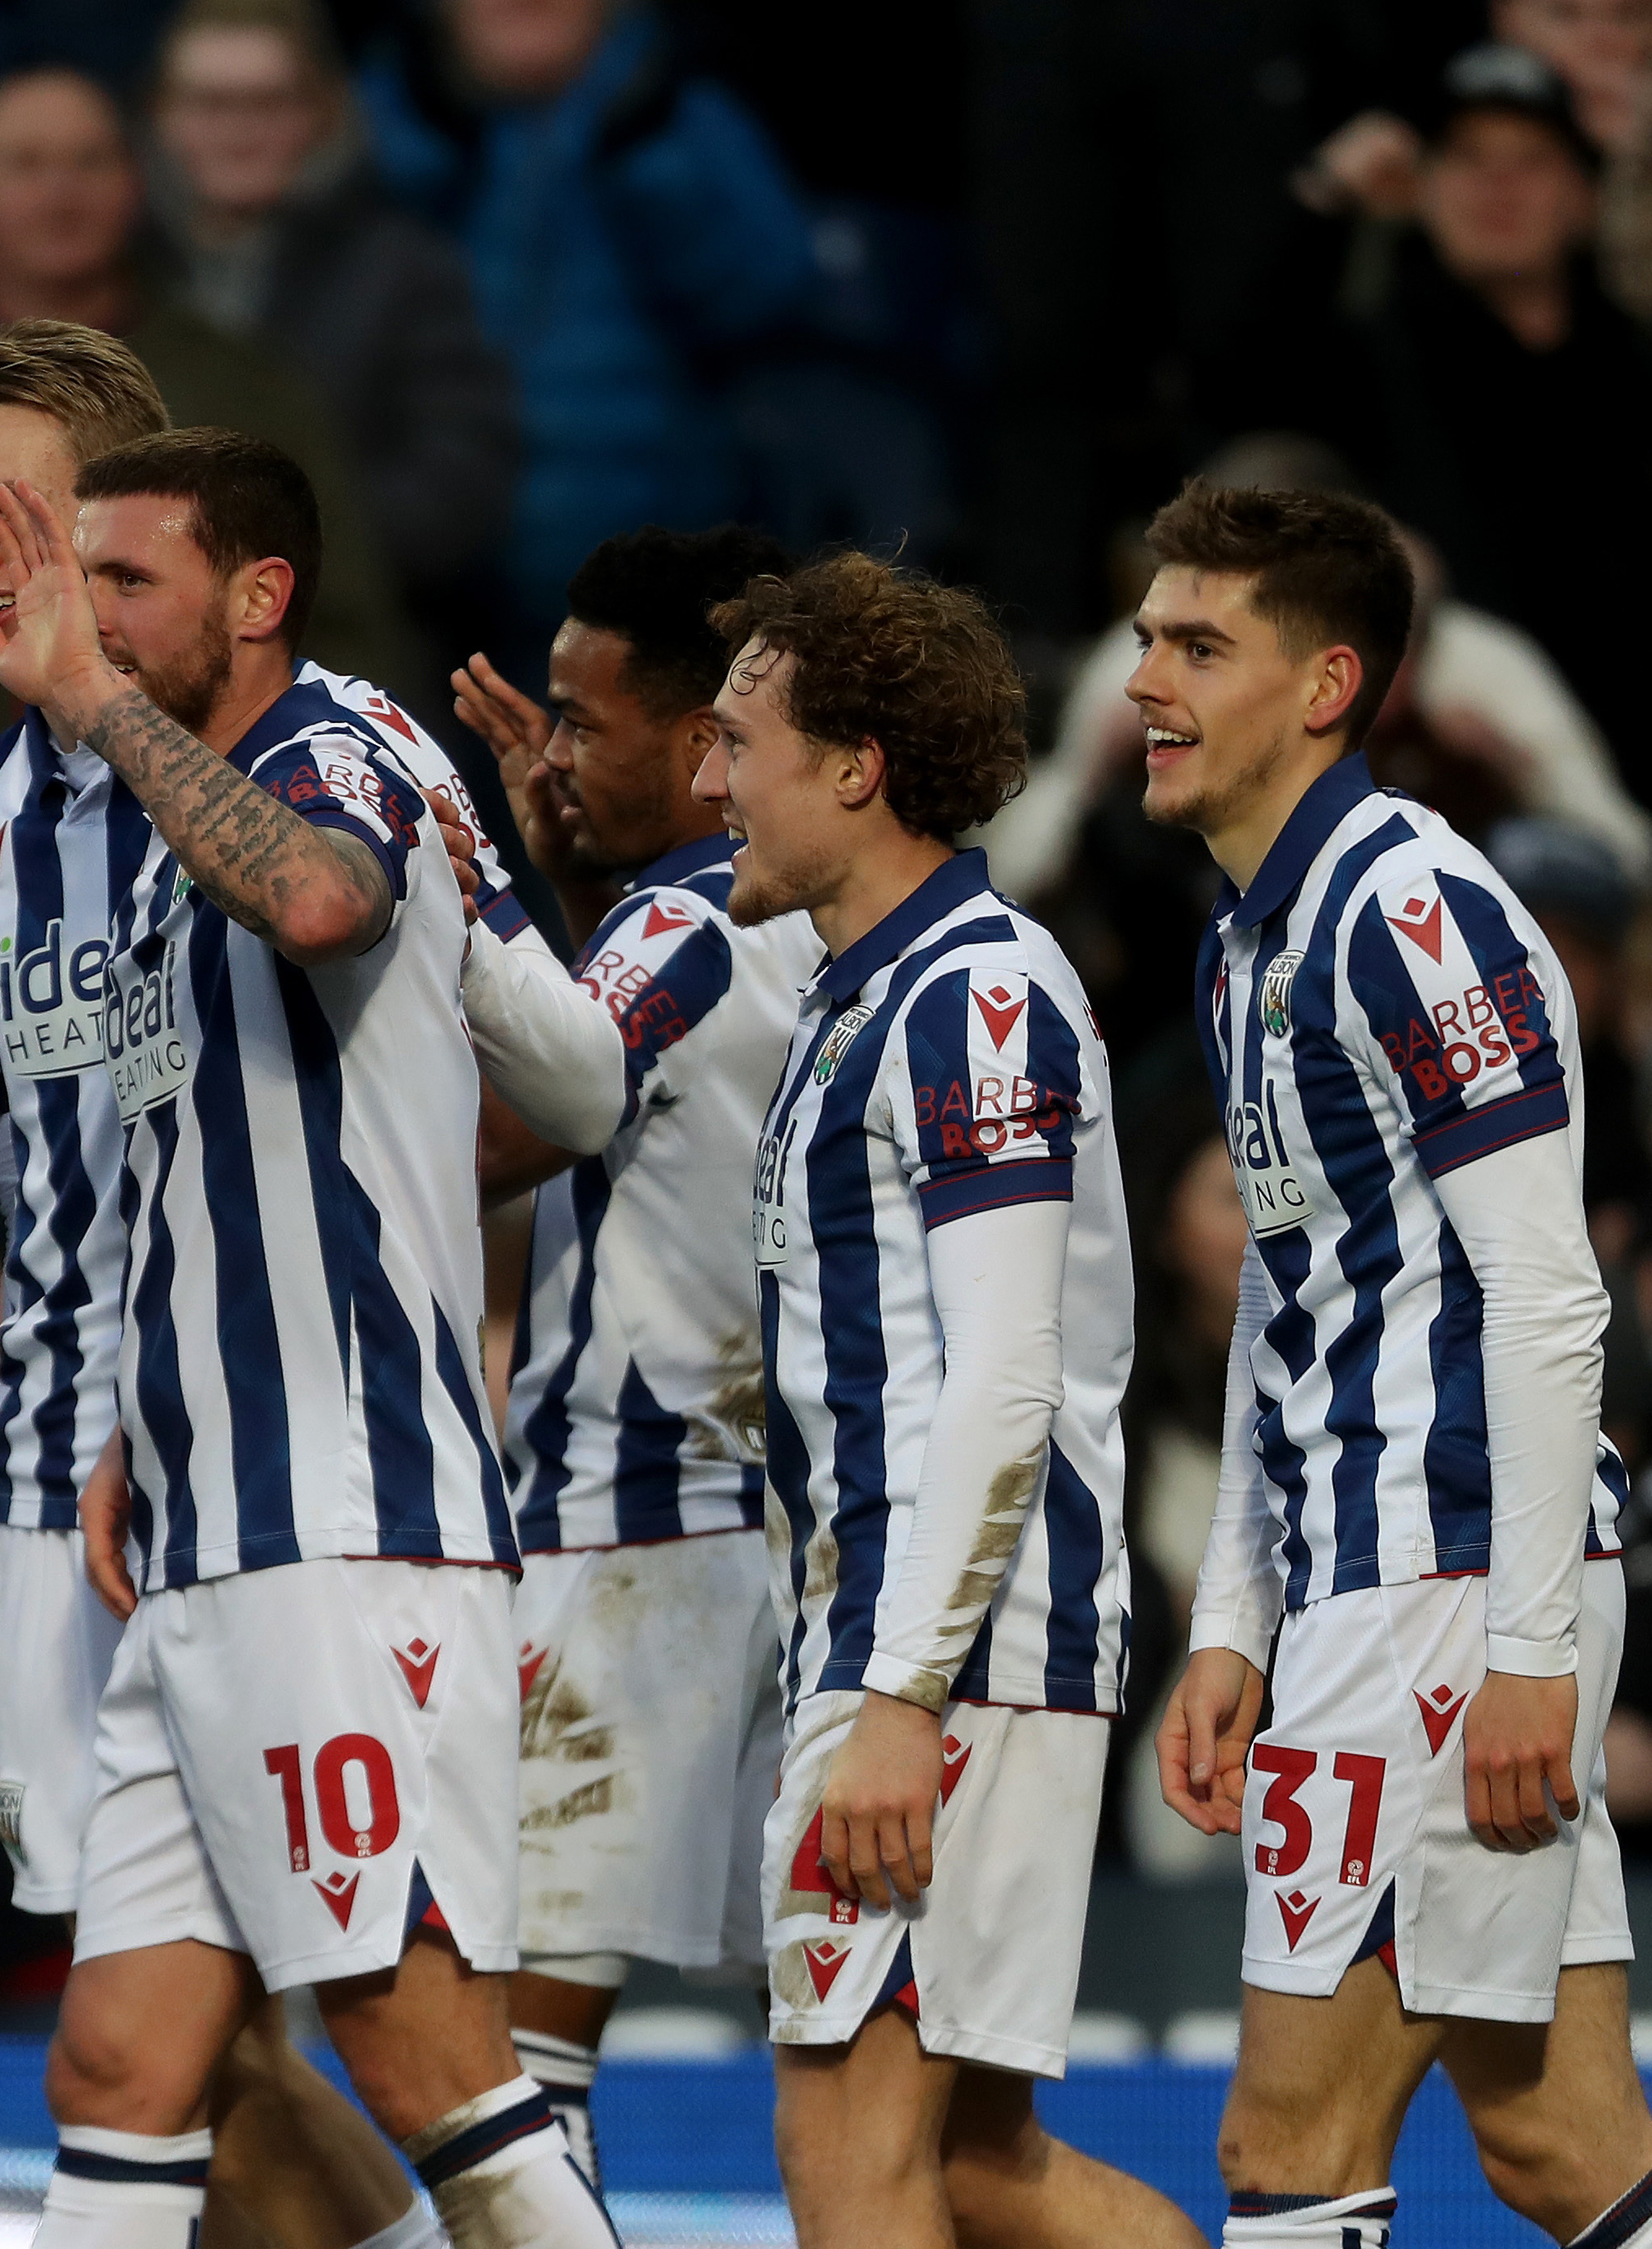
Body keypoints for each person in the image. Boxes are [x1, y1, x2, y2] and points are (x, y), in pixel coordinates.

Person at [0, 315, 433, 2249]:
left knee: (305, 2030)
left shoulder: (307, 760)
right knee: (186, 2057)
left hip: (290, 1486)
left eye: (14, 509)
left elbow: (512, 1076)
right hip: (50, 1514)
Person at [0, 427, 615, 2247]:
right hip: (209, 1511)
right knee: (124, 2061)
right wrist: (153, 1409)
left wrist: (88, 699)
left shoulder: (329, 750)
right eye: (74, 579)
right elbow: (528, 1088)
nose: (82, 614)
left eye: (126, 580)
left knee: (422, 2052)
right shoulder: (191, 801)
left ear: (258, 594)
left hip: (343, 1522)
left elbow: (325, 901)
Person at [1142, 482, 1652, 2249]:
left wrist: (1520, 1649)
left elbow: (1547, 1292)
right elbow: (1290, 1303)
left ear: (1324, 682)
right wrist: (1231, 1620)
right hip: (1374, 1581)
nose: (1146, 678)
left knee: (1287, 2139)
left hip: (1449, 1585)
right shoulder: (1243, 940)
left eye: (1200, 644)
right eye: (1145, 636)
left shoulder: (1415, 910)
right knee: (1559, 2147)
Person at [704, 552, 1187, 2249]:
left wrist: (903, 1690)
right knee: (981, 2162)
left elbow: (1003, 1363)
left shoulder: (974, 987)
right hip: (923, 1624)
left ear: (854, 765)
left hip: (946, 1641)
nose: (710, 780)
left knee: (853, 2161)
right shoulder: (865, 993)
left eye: (739, 737)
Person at [441, 523, 808, 2185]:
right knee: (872, 2086)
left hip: (629, 1516)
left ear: (699, 739)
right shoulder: (865, 908)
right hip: (798, 1525)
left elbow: (496, 1135)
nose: (555, 751)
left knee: (501, 2057)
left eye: (585, 724)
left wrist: (465, 914)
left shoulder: (674, 926)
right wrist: (561, 892)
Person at [0, 67, 413, 819]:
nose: (60, 194)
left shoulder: (248, 391)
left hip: (184, 837)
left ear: (135, 186)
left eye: (89, 162)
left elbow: (342, 628)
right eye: (26, 165)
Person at [354, 0, 809, 635]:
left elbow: (767, 298)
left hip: (654, 584)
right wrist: (428, 144)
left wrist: (650, 156)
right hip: (415, 581)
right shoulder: (361, 119)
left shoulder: (681, 115)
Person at [143, 0, 515, 670]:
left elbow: (455, 489)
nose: (237, 129)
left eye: (267, 101)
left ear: (320, 113)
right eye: (208, 102)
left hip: (343, 659)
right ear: (162, 115)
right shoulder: (114, 264)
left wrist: (263, 555)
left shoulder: (404, 271)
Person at [1321, 44, 1652, 793]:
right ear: (1424, 187)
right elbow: (1228, 389)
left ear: (1582, 193)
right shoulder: (1369, 353)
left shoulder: (1629, 364)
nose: (1497, 188)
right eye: (1468, 158)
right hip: (1436, 753)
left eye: (1530, 160)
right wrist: (1323, 201)